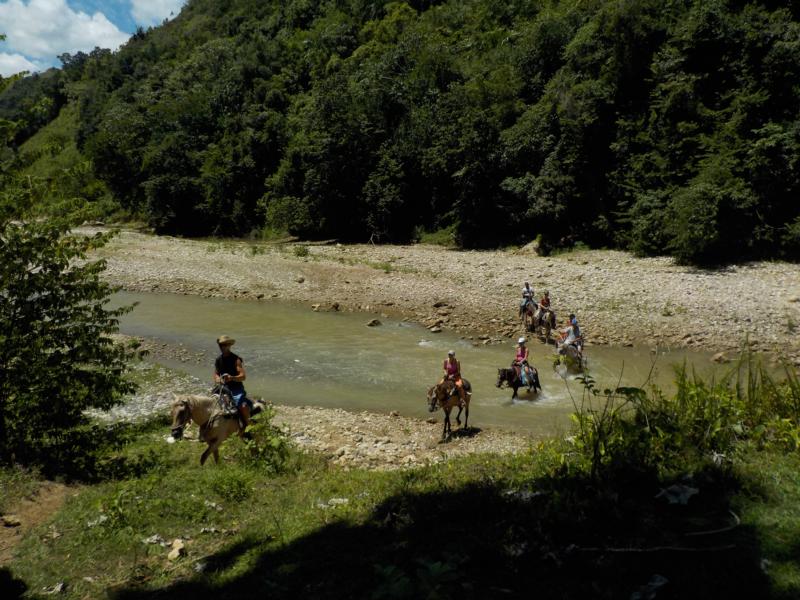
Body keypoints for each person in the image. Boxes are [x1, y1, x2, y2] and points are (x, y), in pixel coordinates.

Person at [213, 335, 252, 436]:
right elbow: (216, 373)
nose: (223, 347)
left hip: (236, 388)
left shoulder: (236, 359)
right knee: (212, 403)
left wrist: (232, 378)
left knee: (242, 406)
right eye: (221, 345)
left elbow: (243, 376)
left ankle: (249, 427)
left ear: (229, 345)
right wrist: (218, 379)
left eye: (225, 345)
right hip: (223, 388)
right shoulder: (218, 360)